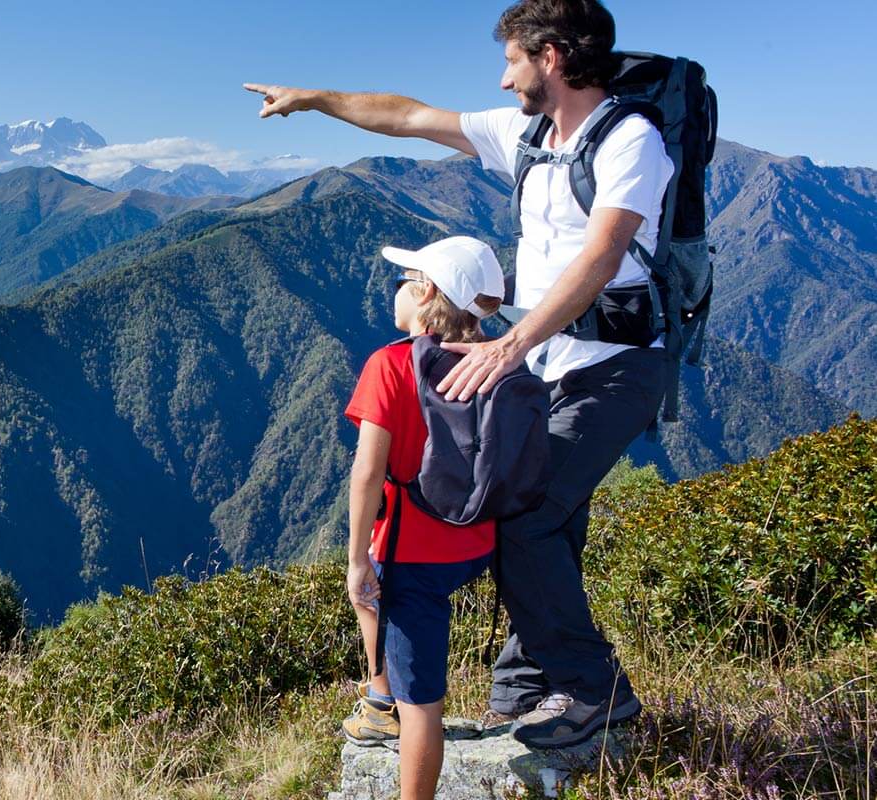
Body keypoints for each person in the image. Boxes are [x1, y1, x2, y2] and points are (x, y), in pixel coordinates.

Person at [246, 0, 668, 749]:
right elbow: (408, 115)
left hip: (612, 369)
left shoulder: (630, 141)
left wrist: (512, 345)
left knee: (526, 513)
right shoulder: (527, 136)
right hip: (541, 368)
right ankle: (522, 687)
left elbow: (603, 255)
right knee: (538, 516)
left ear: (553, 56)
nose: (503, 81)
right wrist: (314, 99)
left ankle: (596, 694)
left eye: (512, 60)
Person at [341, 236, 504, 799]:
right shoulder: (496, 359)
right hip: (478, 541)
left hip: (411, 555)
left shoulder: (389, 364)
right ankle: (380, 695)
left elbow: (367, 473)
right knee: (372, 594)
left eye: (405, 280)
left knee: (424, 708)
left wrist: (356, 558)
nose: (398, 291)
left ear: (427, 291)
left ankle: (393, 710)